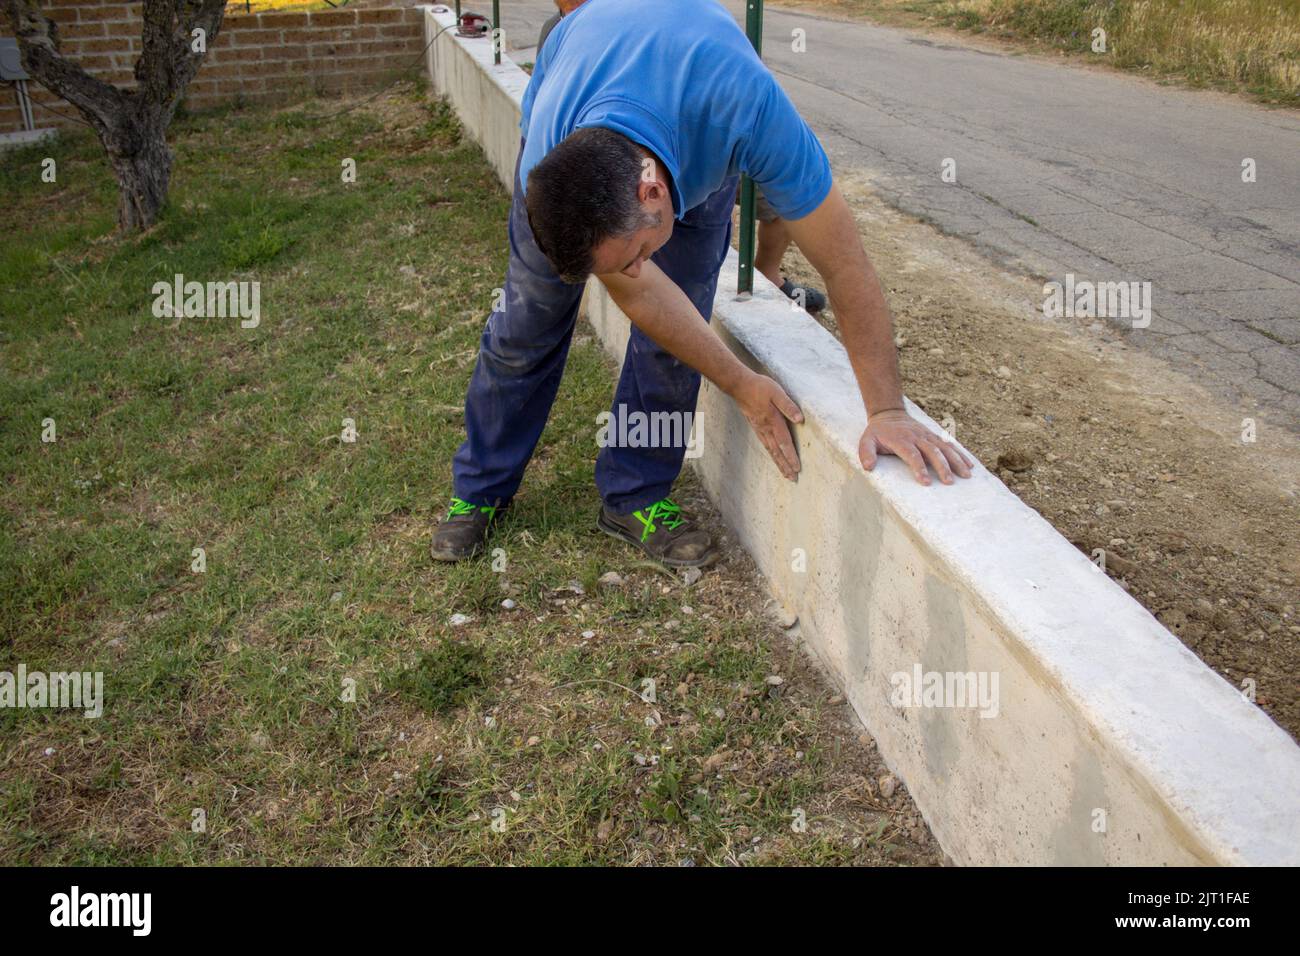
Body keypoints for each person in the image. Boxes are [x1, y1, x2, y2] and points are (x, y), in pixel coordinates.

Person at [431, 0, 970, 568]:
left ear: (654, 194)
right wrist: (739, 380)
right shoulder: (552, 148)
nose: (634, 274)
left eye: (635, 255)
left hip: (695, 121)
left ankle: (634, 494)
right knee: (525, 322)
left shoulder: (746, 111)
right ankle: (480, 489)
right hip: (578, 101)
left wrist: (886, 411)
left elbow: (846, 267)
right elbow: (637, 289)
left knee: (671, 340)